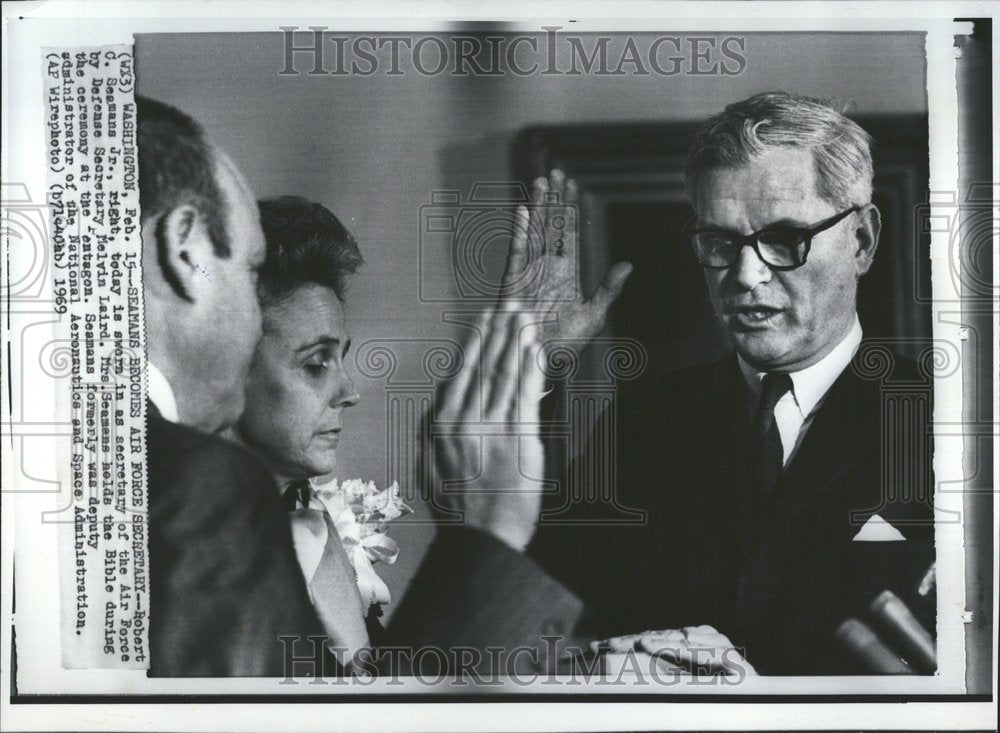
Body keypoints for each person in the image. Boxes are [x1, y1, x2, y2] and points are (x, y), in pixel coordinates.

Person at [395, 91, 935, 675]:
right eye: (721, 243)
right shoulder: (649, 418)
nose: (745, 275)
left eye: (784, 239)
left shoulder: (946, 424)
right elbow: (534, 621)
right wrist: (525, 381)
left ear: (862, 241)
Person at [138, 97, 322, 676]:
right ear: (185, 250)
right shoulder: (200, 487)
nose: (257, 316)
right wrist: (483, 540)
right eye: (252, 269)